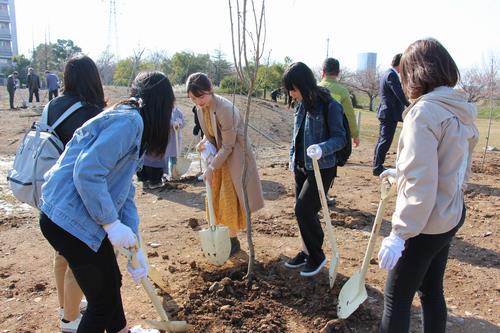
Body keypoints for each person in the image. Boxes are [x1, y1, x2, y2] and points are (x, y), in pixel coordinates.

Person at [39, 71, 174, 332]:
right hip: (68, 219)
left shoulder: (135, 125)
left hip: (73, 218)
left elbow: (124, 193)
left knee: (110, 284)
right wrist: (111, 224)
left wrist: (134, 246)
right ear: (161, 104)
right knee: (101, 303)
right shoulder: (129, 122)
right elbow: (87, 171)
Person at [377, 38, 478, 333]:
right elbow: (450, 166)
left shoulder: (423, 113)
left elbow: (422, 183)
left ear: (415, 73)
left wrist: (399, 234)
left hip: (424, 223)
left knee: (396, 299)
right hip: (450, 213)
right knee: (432, 290)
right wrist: (400, 173)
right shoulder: (460, 108)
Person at [45, 55, 107, 333]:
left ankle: (64, 307)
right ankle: (70, 320)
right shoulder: (88, 111)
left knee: (61, 252)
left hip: (48, 190)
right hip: (75, 194)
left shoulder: (53, 105)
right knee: (78, 256)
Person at [186, 72, 264, 256]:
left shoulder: (225, 109)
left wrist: (212, 167)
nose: (198, 101)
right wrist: (204, 142)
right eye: (193, 98)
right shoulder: (200, 108)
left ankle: (232, 240)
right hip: (218, 157)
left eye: (201, 96)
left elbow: (228, 144)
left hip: (234, 157)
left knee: (229, 199)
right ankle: (227, 237)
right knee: (216, 199)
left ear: (210, 90)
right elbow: (212, 135)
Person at [283, 62, 346, 277]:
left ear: (302, 84)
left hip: (322, 167)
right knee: (304, 212)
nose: (291, 93)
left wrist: (321, 148)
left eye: (293, 88)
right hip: (301, 167)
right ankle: (306, 250)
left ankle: (317, 256)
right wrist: (293, 157)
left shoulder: (330, 105)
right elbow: (297, 134)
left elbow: (340, 138)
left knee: (304, 209)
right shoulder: (300, 104)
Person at [319, 57, 360, 207]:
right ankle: (324, 195)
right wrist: (355, 135)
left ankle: (317, 195)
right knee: (330, 167)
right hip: (334, 137)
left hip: (316, 135)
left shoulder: (315, 87)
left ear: (322, 72)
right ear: (338, 73)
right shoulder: (342, 91)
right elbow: (349, 115)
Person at [372, 53, 410, 176]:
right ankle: (377, 167)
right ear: (401, 63)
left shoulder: (388, 73)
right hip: (389, 113)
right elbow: (399, 93)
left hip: (388, 113)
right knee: (385, 141)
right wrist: (410, 105)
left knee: (383, 140)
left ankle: (377, 165)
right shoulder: (391, 75)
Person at [165, 106, 185, 179]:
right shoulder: (164, 111)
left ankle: (174, 174)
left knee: (175, 157)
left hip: (176, 138)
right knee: (165, 157)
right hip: (167, 137)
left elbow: (183, 123)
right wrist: (172, 123)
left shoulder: (179, 112)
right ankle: (165, 174)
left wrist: (179, 124)